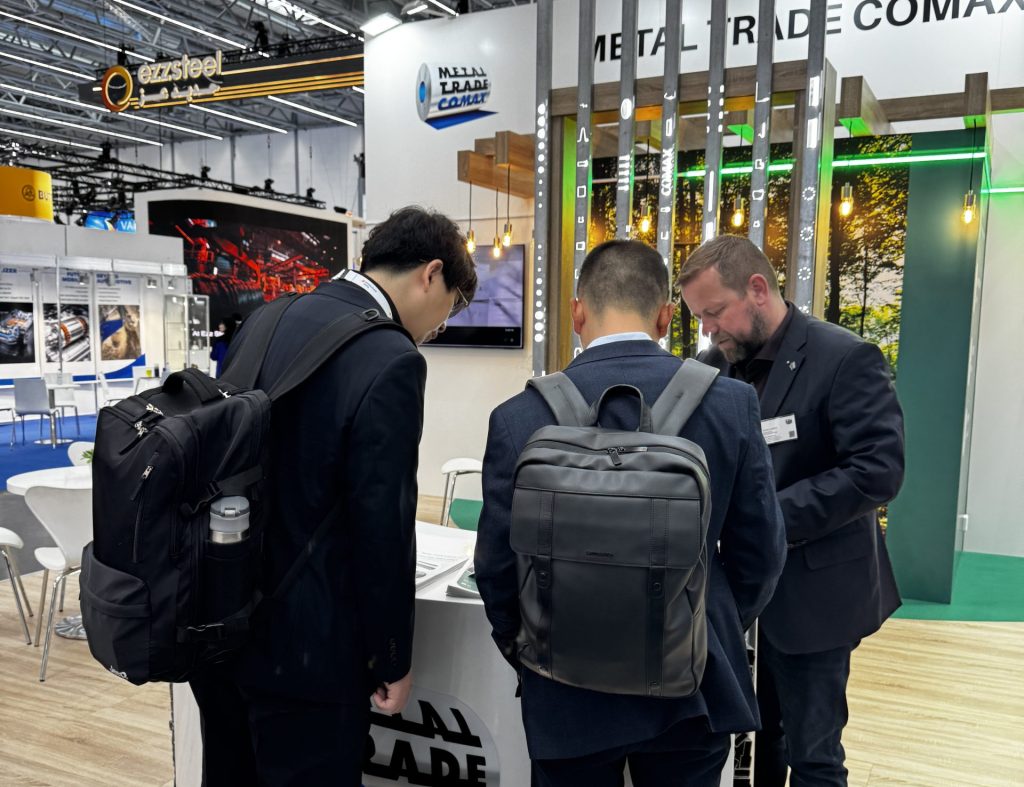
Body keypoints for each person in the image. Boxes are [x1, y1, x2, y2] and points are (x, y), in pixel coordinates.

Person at [474, 240, 786, 786]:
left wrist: (531, 647)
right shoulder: (730, 405)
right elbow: (761, 554)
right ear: (665, 317)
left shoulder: (518, 418)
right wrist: (700, 619)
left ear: (577, 313)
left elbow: (497, 569)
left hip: (564, 688)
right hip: (691, 686)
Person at [188, 206, 477, 786]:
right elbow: (383, 524)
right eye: (449, 310)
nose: (437, 328)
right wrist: (391, 656)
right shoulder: (390, 356)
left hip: (219, 623)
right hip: (307, 656)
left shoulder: (268, 317)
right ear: (431, 274)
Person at [677, 235, 905, 787]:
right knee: (756, 743)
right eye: (700, 317)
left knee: (813, 756)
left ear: (757, 289)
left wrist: (766, 518)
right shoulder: (711, 367)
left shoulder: (845, 357)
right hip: (735, 600)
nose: (708, 329)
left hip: (815, 597)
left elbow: (877, 470)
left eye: (714, 312)